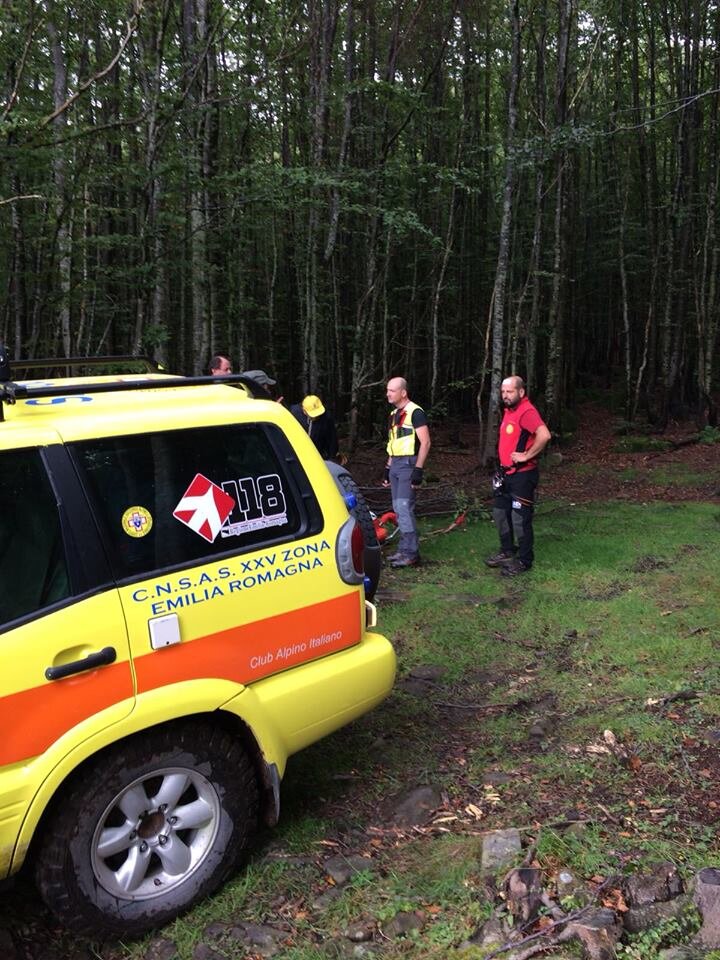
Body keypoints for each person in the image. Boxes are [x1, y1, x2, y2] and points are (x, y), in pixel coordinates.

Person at [486, 375, 551, 577]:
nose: (505, 395)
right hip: (505, 474)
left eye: (510, 391)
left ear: (521, 392)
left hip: (523, 476)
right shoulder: (509, 411)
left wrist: (526, 456)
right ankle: (507, 551)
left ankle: (524, 560)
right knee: (500, 514)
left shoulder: (526, 411)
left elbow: (544, 435)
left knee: (519, 519)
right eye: (503, 391)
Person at [382, 377, 431, 568]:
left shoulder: (415, 412)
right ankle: (403, 550)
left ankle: (411, 553)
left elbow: (425, 442)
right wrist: (387, 469)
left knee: (403, 506)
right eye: (387, 390)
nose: (388, 394)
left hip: (408, 463)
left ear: (403, 392)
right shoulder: (394, 413)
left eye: (392, 390)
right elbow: (393, 444)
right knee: (397, 508)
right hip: (395, 463)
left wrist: (418, 469)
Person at [290, 394, 340, 460]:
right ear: (304, 410)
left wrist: (332, 457)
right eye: (313, 415)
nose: (316, 416)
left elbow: (332, 439)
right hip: (296, 453)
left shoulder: (326, 418)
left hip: (317, 454)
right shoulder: (293, 413)